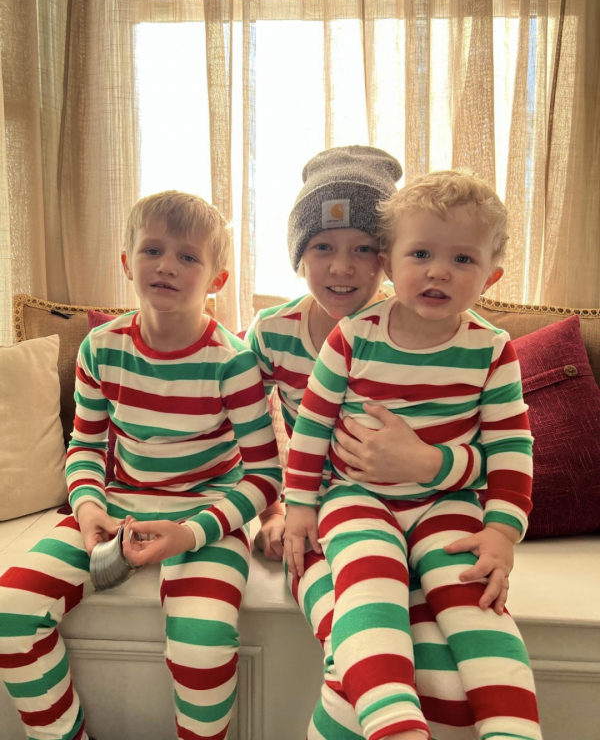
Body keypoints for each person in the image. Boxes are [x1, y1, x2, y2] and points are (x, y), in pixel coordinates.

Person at [0, 191, 281, 740]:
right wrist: (87, 509)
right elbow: (84, 446)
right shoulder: (100, 348)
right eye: (153, 249)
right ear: (128, 263)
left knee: (203, 642)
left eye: (188, 256)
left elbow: (264, 476)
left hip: (206, 513)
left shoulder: (233, 362)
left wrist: (191, 532)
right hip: (116, 502)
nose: (167, 265)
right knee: (10, 613)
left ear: (216, 280)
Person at [284, 169, 541, 740]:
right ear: (391, 263)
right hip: (358, 500)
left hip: (447, 503)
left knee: (476, 604)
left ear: (490, 276)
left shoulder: (492, 350)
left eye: (463, 260)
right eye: (420, 253)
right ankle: (393, 725)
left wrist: (502, 532)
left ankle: (515, 730)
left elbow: (510, 446)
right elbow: (311, 427)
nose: (438, 271)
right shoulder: (353, 336)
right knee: (370, 593)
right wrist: (300, 505)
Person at [249, 149, 491, 739]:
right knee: (355, 641)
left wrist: (429, 462)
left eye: (362, 248)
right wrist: (281, 506)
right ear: (299, 255)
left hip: (416, 510)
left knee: (417, 640)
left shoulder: (428, 332)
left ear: (386, 259)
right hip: (321, 517)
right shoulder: (271, 334)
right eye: (322, 247)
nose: (343, 266)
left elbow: (497, 454)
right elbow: (254, 441)